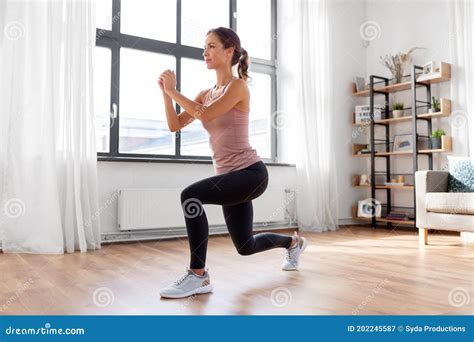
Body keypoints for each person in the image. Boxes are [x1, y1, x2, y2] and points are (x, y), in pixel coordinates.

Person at [157, 27, 307, 299]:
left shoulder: (237, 86)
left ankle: (198, 275)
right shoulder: (205, 92)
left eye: (211, 46)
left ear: (229, 52)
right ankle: (293, 243)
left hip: (251, 174)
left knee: (190, 195)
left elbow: (206, 114)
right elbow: (174, 125)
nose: (205, 52)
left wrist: (174, 90)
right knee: (245, 246)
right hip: (231, 177)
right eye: (204, 47)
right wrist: (167, 96)